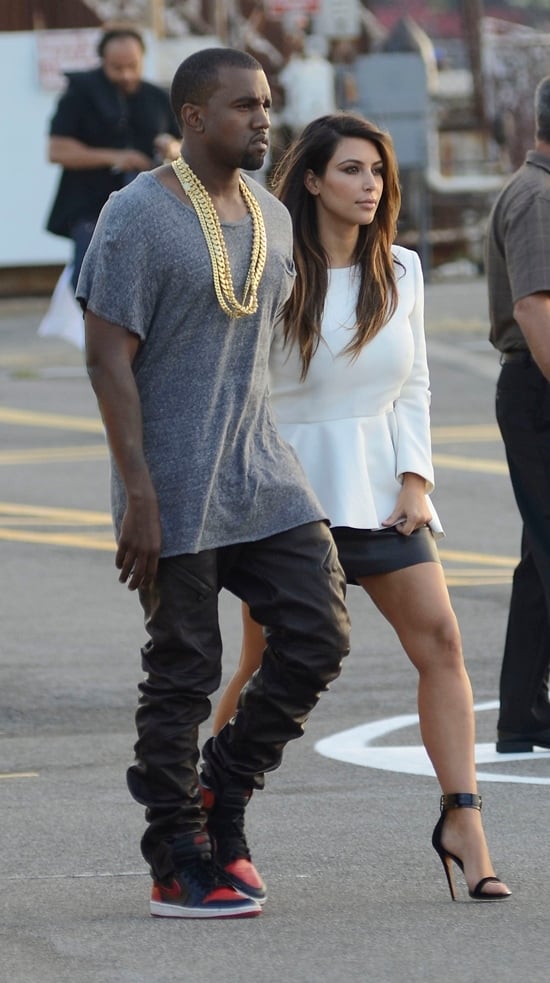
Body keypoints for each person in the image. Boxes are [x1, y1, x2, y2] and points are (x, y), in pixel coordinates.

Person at [77, 47, 350, 920]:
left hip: (261, 471)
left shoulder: (271, 213)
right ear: (194, 117)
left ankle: (220, 794)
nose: (264, 120)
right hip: (174, 480)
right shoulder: (137, 216)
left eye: (267, 104)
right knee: (185, 670)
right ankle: (176, 859)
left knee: (318, 632)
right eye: (243, 107)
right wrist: (140, 493)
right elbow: (106, 356)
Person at [214, 112, 511, 902]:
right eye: (350, 170)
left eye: (377, 172)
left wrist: (417, 476)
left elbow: (412, 385)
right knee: (263, 663)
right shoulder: (270, 271)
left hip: (382, 490)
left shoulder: (404, 271)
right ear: (311, 179)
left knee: (443, 642)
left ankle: (464, 822)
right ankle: (212, 809)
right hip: (284, 492)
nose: (370, 185)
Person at [486, 76, 550, 754]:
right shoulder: (538, 197)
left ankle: (524, 713)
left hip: (537, 385)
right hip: (539, 386)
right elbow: (535, 308)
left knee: (541, 559)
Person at [46, 24, 180, 293]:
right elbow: (56, 150)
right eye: (116, 68)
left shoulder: (157, 97)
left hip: (147, 209)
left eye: (133, 66)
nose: (126, 74)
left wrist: (170, 146)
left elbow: (184, 145)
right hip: (91, 208)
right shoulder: (79, 95)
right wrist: (116, 157)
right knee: (92, 284)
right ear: (102, 61)